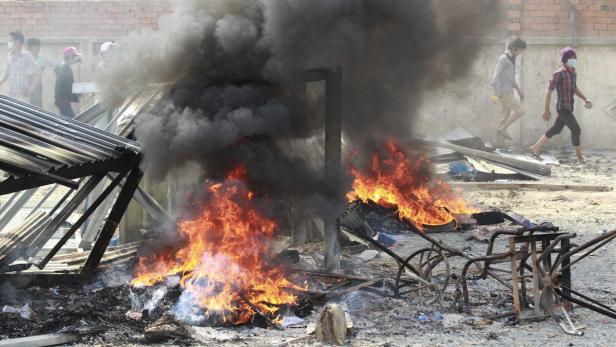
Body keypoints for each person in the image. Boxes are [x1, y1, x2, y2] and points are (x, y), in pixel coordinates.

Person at [530, 47, 592, 163]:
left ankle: (535, 147)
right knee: (576, 129)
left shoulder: (573, 72)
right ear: (565, 59)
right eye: (571, 57)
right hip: (562, 107)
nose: (573, 59)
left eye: (574, 57)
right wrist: (546, 109)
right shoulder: (559, 74)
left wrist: (585, 98)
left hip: (569, 106)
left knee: (556, 129)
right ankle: (580, 157)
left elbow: (574, 88)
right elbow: (549, 91)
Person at [491, 38, 527, 147]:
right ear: (514, 48)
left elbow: (510, 78)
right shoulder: (504, 59)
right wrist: (496, 93)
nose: (521, 53)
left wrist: (518, 89)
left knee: (504, 117)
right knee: (521, 111)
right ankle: (503, 129)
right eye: (520, 50)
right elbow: (495, 78)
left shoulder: (512, 59)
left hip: (508, 91)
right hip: (504, 92)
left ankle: (496, 143)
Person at [0, 31, 39, 102]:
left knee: (23, 113)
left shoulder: (27, 55)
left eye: (11, 40)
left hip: (23, 95)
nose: (9, 43)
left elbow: (37, 71)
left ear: (17, 42)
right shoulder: (9, 56)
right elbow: (6, 75)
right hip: (12, 94)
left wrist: (31, 89)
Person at [26, 38, 56, 107]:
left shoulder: (42, 59)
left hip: (37, 86)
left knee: (36, 106)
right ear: (31, 47)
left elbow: (54, 63)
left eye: (38, 46)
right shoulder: (24, 58)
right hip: (25, 84)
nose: (38, 48)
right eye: (36, 45)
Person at [54, 46, 81, 118]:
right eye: (74, 56)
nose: (75, 59)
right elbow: (63, 85)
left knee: (65, 121)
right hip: (63, 101)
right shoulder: (65, 69)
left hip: (62, 101)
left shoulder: (62, 67)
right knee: (72, 122)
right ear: (69, 57)